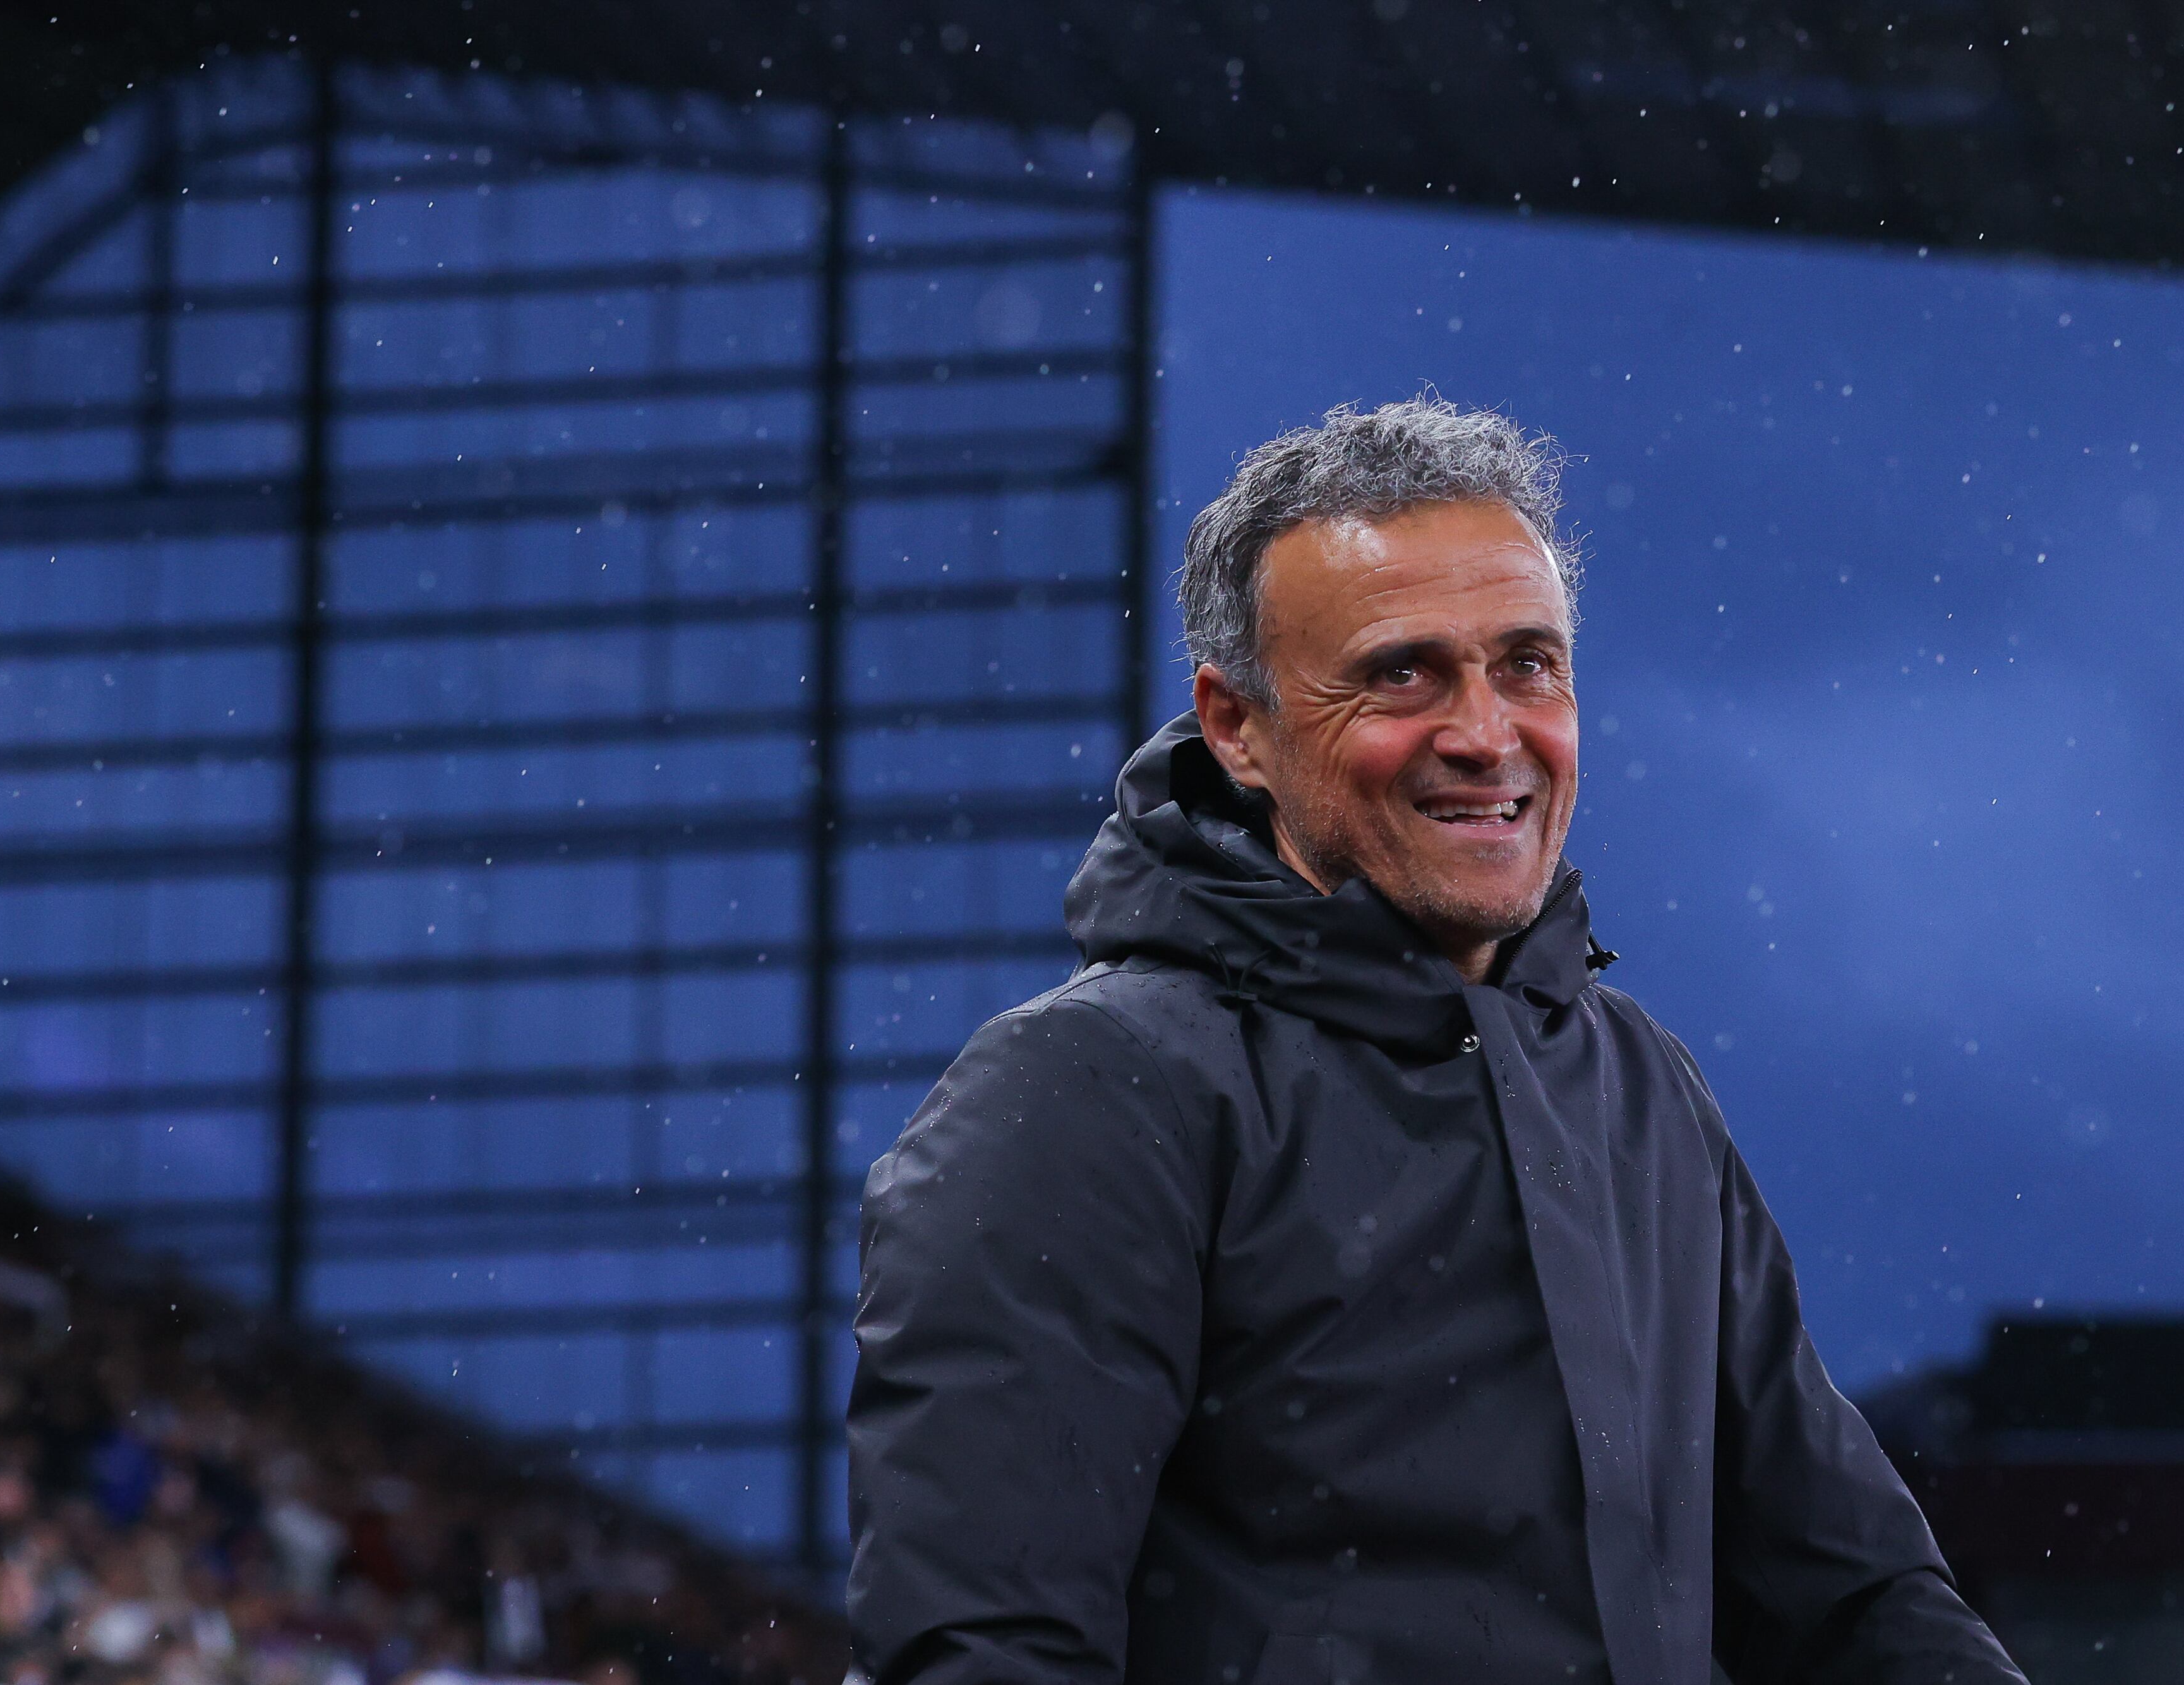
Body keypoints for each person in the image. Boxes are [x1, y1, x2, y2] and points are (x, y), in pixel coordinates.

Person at [844, 398, 2025, 1685]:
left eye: (1528, 662)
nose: (1486, 731)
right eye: (1402, 671)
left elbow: (1850, 1591)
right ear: (1238, 727)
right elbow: (983, 1651)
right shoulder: (1081, 1095)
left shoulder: (1637, 1083)